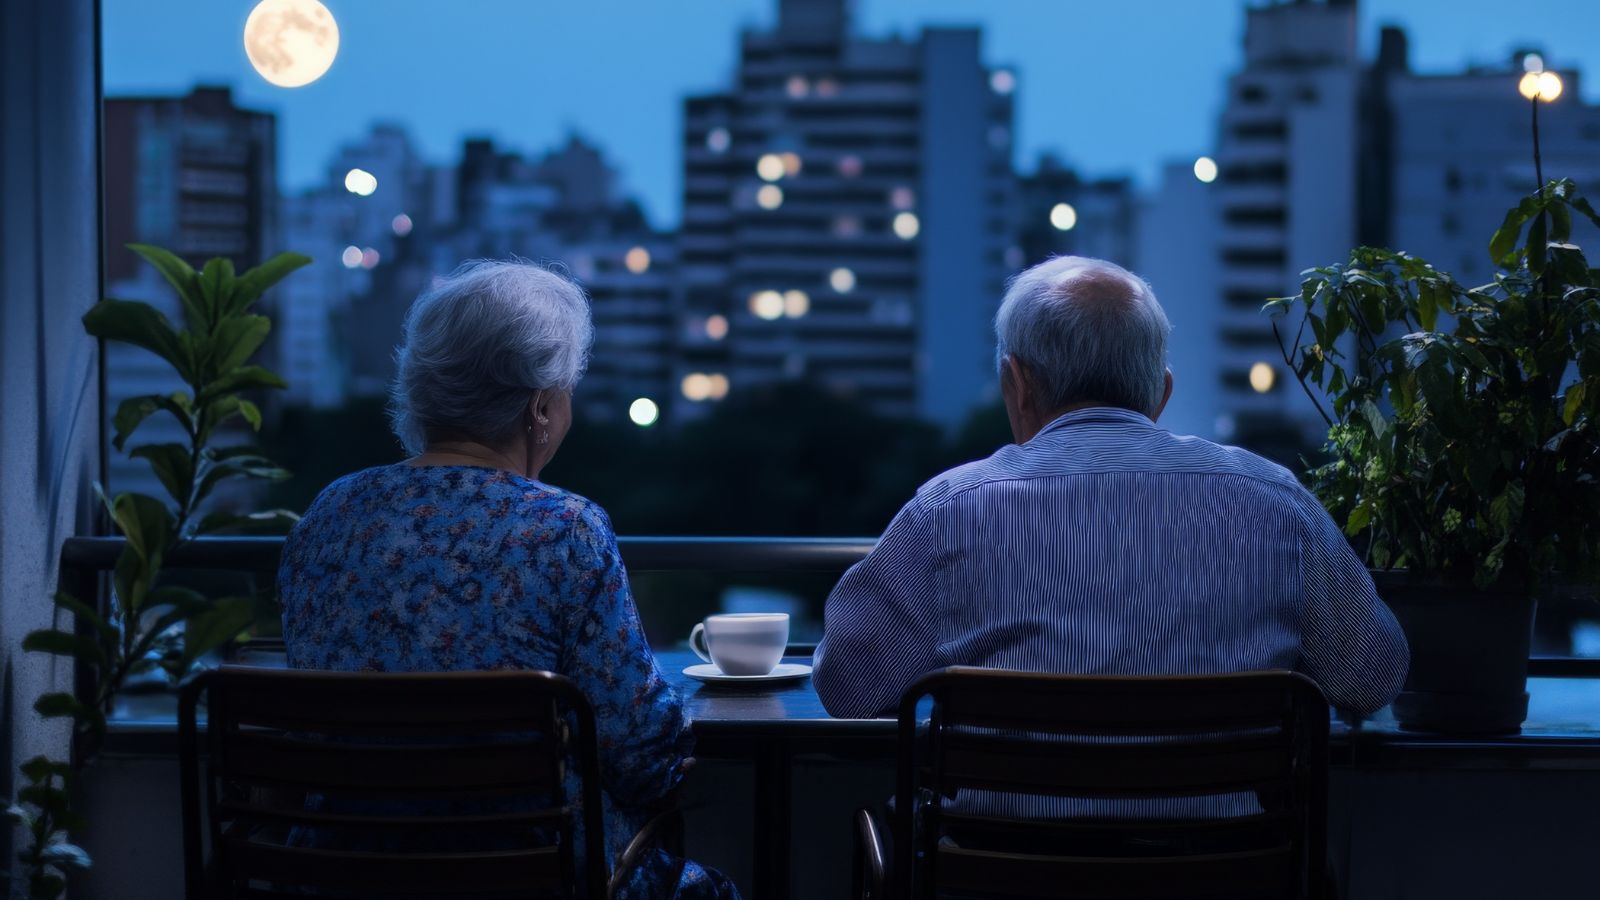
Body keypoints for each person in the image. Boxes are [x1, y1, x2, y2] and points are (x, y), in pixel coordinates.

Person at [278, 260, 737, 900]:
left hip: (340, 873)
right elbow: (641, 756)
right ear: (540, 407)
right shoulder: (564, 530)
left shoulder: (329, 516)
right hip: (527, 876)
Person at [813, 256, 1409, 720]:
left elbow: (848, 685)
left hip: (1001, 870)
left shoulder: (949, 514)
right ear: (1162, 393)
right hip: (1222, 870)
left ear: (1017, 385)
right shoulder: (1276, 503)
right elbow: (1372, 676)